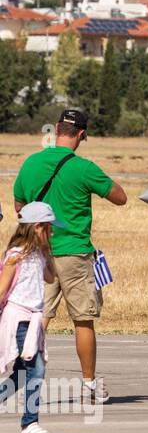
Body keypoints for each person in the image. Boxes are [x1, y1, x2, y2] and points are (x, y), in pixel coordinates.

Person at [12, 109, 127, 405]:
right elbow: (120, 197)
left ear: (57, 129)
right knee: (83, 320)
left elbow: (18, 205)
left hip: (40, 253)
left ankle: (19, 380)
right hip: (75, 253)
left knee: (38, 318)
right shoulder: (84, 168)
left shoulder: (32, 162)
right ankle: (90, 385)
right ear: (81, 135)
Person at [0, 202, 63, 433]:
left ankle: (30, 423)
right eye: (49, 228)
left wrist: (48, 253)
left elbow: (50, 278)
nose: (53, 232)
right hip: (20, 319)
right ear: (38, 227)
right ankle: (30, 424)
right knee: (35, 368)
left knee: (23, 375)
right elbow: (2, 290)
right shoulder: (16, 255)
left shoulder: (37, 253)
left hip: (33, 320)